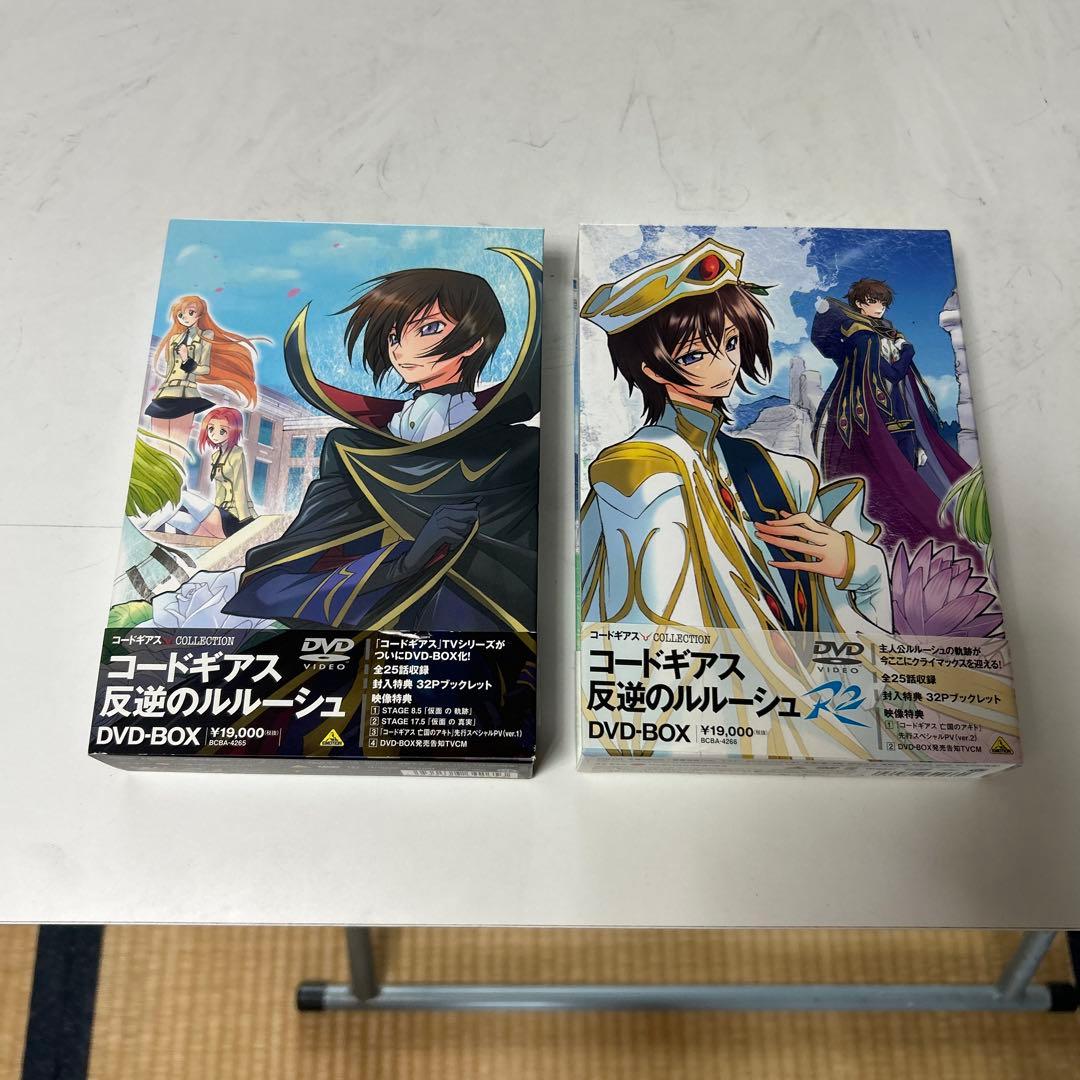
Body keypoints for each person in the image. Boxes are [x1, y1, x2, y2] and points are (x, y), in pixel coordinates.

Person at [579, 238, 893, 639]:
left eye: (731, 343)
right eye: (694, 355)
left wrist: (853, 562)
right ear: (652, 370)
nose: (725, 364)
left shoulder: (779, 471)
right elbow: (651, 631)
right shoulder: (641, 470)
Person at [222, 250, 542, 633]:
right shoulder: (351, 448)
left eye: (429, 328)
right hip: (371, 606)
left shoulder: (517, 451)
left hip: (468, 621)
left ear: (474, 341)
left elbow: (517, 570)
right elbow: (299, 560)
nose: (400, 349)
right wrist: (406, 560)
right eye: (394, 335)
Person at [811, 279, 976, 562]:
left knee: (906, 472)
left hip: (897, 413)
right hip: (879, 416)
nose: (880, 307)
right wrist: (908, 351)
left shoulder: (883, 331)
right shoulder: (863, 335)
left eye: (883, 303)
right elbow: (892, 373)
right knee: (895, 476)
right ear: (860, 303)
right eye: (874, 301)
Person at [145, 295, 264, 453]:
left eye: (190, 312)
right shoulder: (174, 338)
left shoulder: (205, 336)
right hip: (164, 394)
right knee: (157, 449)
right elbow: (170, 368)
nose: (185, 317)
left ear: (200, 314)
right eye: (180, 314)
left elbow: (204, 369)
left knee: (177, 448)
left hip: (184, 395)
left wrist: (187, 359)